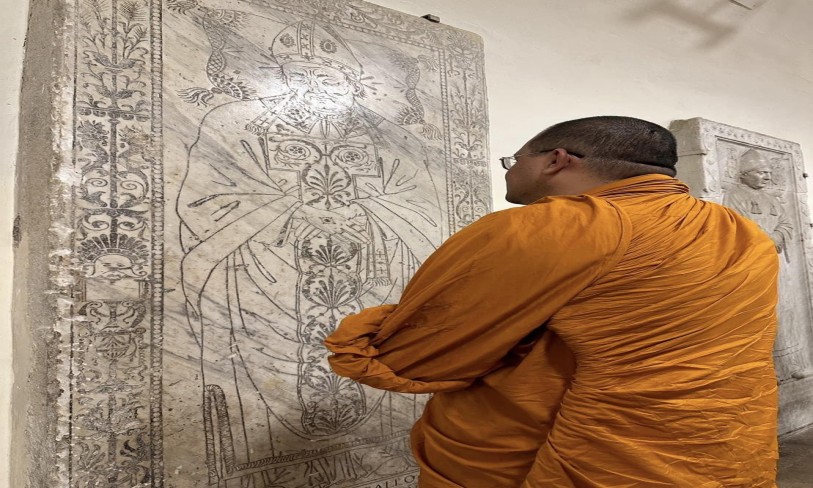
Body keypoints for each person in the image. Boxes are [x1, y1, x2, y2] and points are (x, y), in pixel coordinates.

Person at [325, 116, 779, 487]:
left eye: (514, 160)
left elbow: (408, 355)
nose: (509, 170)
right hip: (722, 442)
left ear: (556, 160)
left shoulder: (553, 227)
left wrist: (373, 329)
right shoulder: (741, 231)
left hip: (571, 452)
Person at [178, 20, 442, 485]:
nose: (313, 84)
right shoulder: (233, 121)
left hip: (370, 270)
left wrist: (361, 212)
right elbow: (207, 199)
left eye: (328, 77)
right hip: (265, 274)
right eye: (299, 74)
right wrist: (292, 209)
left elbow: (421, 212)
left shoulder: (392, 138)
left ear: (352, 81)